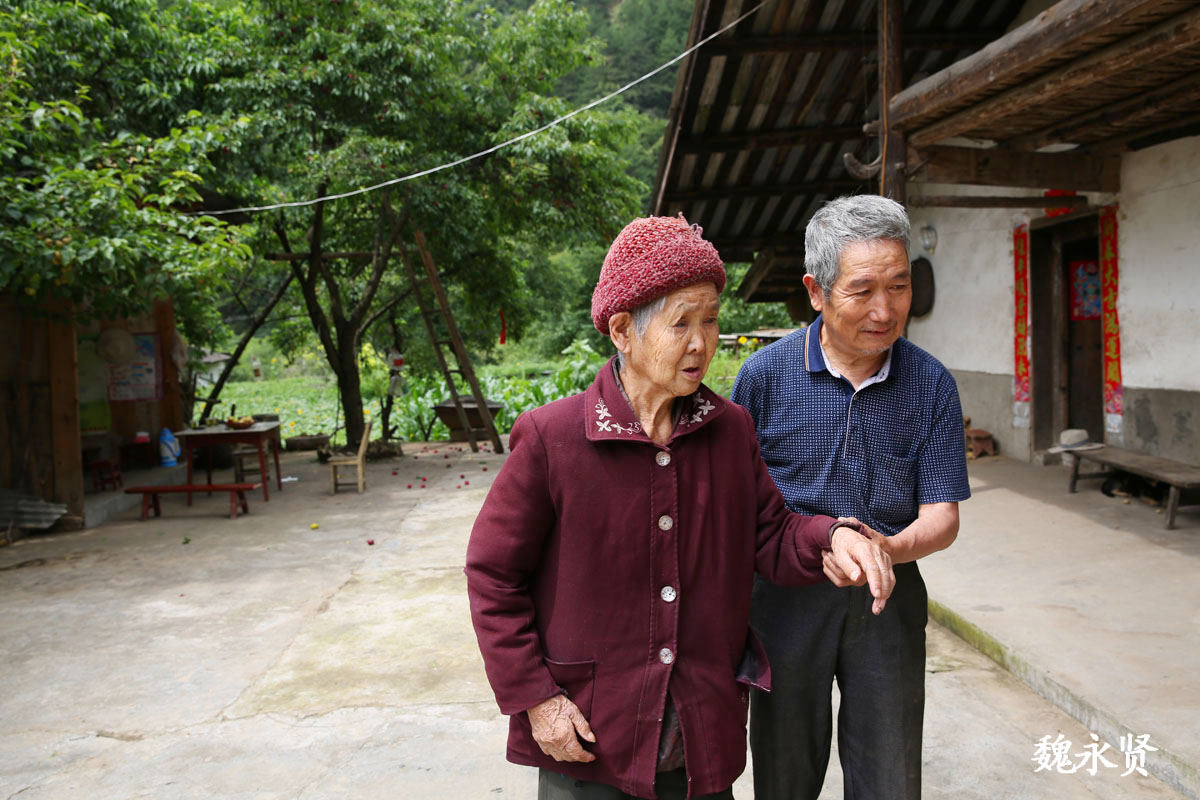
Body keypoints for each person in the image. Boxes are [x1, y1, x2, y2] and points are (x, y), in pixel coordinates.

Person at [465, 215, 896, 800]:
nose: (702, 342)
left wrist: (832, 538)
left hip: (699, 732)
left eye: (711, 320)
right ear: (622, 330)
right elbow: (494, 574)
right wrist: (539, 699)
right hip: (591, 734)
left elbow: (770, 534)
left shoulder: (729, 430)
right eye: (681, 324)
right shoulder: (553, 437)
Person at [732, 195, 971, 800]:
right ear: (816, 291)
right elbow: (737, 504)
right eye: (862, 290)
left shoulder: (931, 383)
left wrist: (883, 550)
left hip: (887, 596)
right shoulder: (764, 378)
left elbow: (942, 516)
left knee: (889, 773)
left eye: (898, 286)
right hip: (784, 598)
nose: (884, 310)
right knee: (784, 772)